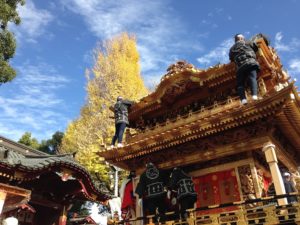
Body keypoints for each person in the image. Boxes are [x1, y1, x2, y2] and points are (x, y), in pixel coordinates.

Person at [229, 34, 260, 105]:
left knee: (240, 84)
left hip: (240, 67)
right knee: (252, 78)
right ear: (242, 38)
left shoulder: (231, 49)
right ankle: (254, 96)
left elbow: (231, 59)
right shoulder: (248, 42)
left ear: (235, 40)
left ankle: (243, 100)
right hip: (250, 63)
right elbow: (256, 47)